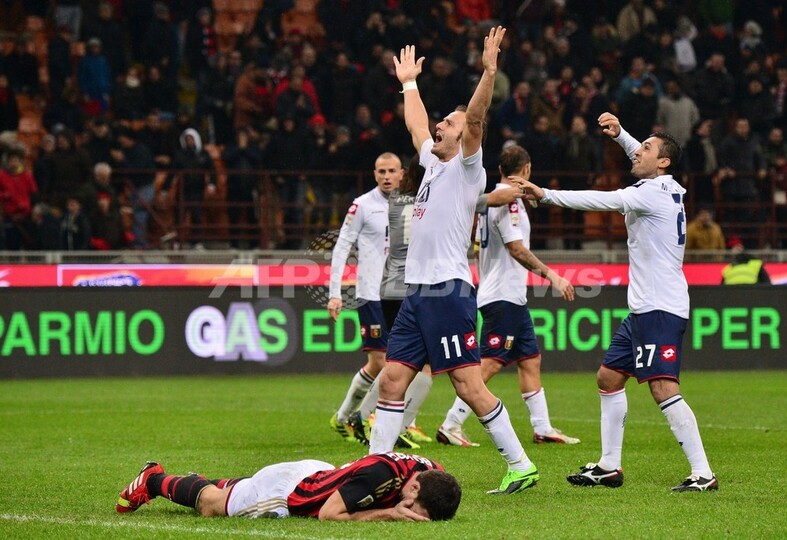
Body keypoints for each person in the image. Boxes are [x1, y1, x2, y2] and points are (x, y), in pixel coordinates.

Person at [370, 27, 540, 496]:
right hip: (417, 294)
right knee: (392, 381)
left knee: (468, 386)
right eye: (442, 120)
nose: (439, 125)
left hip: (448, 292)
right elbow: (416, 125)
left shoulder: (468, 169)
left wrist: (488, 72)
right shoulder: (432, 161)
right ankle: (375, 467)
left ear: (465, 135)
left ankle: (520, 464)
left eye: (449, 121)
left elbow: (477, 117)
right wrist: (409, 83)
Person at [517, 112, 718, 492]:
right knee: (608, 378)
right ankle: (609, 466)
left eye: (646, 148)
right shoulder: (665, 186)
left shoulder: (649, 194)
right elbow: (641, 157)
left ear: (663, 162)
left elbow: (601, 200)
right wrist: (621, 134)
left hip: (660, 307)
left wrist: (545, 194)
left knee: (663, 388)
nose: (636, 152)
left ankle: (703, 473)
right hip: (644, 308)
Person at [436, 145, 578, 448]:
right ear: (526, 169)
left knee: (530, 360)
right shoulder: (509, 202)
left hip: (506, 294)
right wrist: (551, 275)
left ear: (501, 169)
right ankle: (451, 423)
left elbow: (477, 248)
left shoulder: (490, 201)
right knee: (490, 362)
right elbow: (516, 248)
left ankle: (542, 427)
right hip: (503, 296)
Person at [116, 452, 460, 521]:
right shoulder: (380, 475)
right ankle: (154, 479)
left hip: (319, 472)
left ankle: (196, 482)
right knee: (212, 505)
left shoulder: (431, 472)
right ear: (415, 489)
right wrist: (389, 514)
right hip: (289, 493)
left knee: (242, 489)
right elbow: (328, 515)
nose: (410, 514)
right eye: (414, 509)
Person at [327, 153, 403, 441]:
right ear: (374, 174)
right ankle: (353, 417)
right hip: (370, 294)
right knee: (381, 361)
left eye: (391, 171)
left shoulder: (409, 205)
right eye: (381, 171)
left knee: (401, 361)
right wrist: (335, 294)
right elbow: (342, 247)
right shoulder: (362, 205)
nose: (386, 176)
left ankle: (357, 418)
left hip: (400, 294)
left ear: (401, 174)